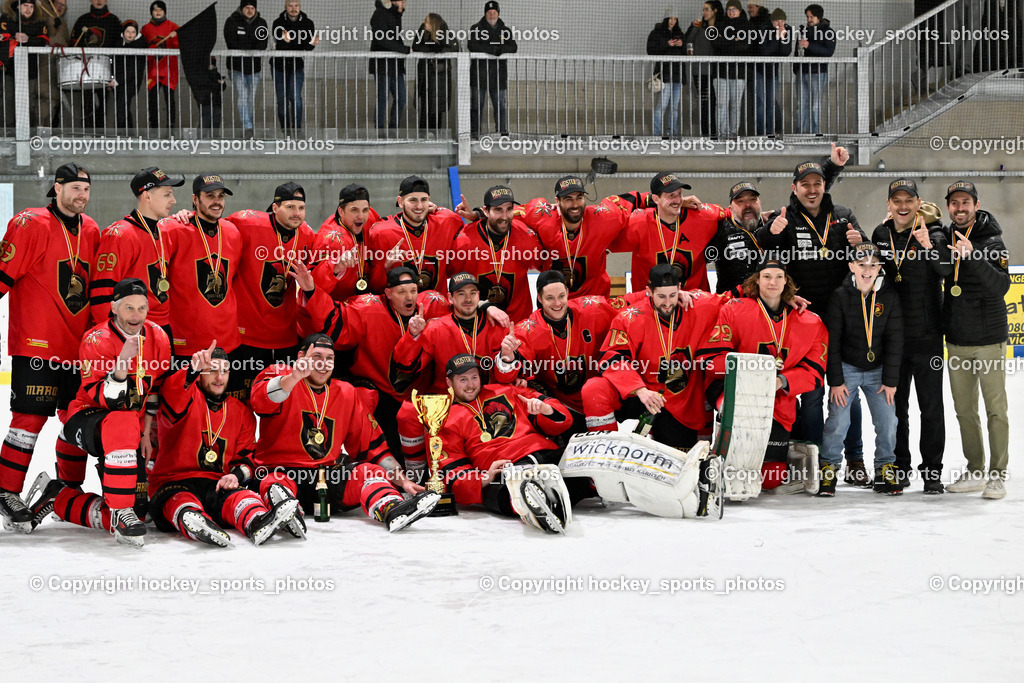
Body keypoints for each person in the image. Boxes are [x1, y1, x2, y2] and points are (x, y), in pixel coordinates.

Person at [250, 333, 439, 532]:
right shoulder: (282, 373)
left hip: (325, 479)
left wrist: (403, 481)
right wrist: (293, 377)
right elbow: (260, 402)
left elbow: (372, 446)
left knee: (369, 471)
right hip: (280, 471)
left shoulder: (346, 392)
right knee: (274, 481)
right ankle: (286, 512)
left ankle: (392, 508)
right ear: (301, 356)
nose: (323, 364)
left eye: (329, 359)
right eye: (317, 357)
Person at [0, 163, 98, 532]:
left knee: (75, 419)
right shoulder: (31, 223)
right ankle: (7, 491)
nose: (81, 196)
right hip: (36, 345)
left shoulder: (90, 229)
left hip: (77, 350)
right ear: (56, 189)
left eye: (86, 189)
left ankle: (67, 491)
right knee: (29, 420)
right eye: (74, 188)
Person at [761, 159, 868, 483]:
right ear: (794, 188)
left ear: (825, 187)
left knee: (845, 390)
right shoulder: (784, 219)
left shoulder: (844, 217)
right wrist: (769, 234)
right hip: (801, 320)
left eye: (817, 183)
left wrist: (860, 243)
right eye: (805, 184)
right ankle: (811, 458)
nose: (811, 189)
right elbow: (768, 264)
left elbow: (864, 262)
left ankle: (855, 458)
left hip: (840, 320)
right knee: (809, 391)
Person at [51, 278, 173, 546]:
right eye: (129, 308)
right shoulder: (97, 340)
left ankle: (58, 499)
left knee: (143, 510)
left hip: (131, 429)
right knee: (123, 417)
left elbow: (154, 388)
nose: (136, 315)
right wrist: (121, 366)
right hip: (87, 416)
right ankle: (120, 512)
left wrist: (147, 433)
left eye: (142, 308)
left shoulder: (159, 336)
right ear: (114, 308)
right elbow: (109, 400)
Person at [147, 342, 299, 547]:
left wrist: (234, 476)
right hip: (173, 481)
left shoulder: (240, 411)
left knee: (241, 495)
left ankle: (258, 522)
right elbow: (175, 392)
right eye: (212, 371)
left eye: (224, 371)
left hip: (215, 483)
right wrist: (191, 370)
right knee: (181, 499)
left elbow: (247, 458)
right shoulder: (185, 397)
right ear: (200, 373)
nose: (219, 378)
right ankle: (194, 520)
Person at [698, 258, 828, 489]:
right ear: (757, 280)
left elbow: (815, 372)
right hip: (732, 389)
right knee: (735, 460)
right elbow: (710, 358)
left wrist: (781, 381)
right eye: (766, 276)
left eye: (778, 277)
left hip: (776, 398)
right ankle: (720, 457)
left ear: (786, 281)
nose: (772, 282)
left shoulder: (810, 321)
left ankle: (785, 456)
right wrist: (748, 376)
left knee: (771, 478)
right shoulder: (734, 309)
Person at [296, 265, 450, 458]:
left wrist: (487, 306)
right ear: (388, 293)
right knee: (360, 397)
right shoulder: (367, 309)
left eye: (413, 291)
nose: (409, 297)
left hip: (422, 396)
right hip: (379, 393)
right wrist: (311, 290)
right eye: (401, 292)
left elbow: (464, 311)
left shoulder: (433, 305)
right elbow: (334, 319)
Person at [582, 264, 726, 449]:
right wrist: (640, 390)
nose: (667, 303)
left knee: (676, 464)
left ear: (680, 288)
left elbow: (736, 298)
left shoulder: (700, 305)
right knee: (595, 388)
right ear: (648, 291)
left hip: (678, 401)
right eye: (661, 296)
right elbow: (613, 359)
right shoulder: (630, 318)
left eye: (672, 295)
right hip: (641, 394)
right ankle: (604, 452)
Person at [437, 353, 583, 533]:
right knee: (495, 497)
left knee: (582, 457)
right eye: (463, 379)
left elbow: (562, 420)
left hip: (543, 456)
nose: (471, 385)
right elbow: (451, 470)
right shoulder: (444, 418)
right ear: (449, 383)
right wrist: (482, 478)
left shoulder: (505, 390)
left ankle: (554, 494)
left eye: (474, 377)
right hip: (506, 472)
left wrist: (546, 410)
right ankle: (540, 499)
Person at [933, 181, 1010, 500]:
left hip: (989, 338)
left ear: (976, 205)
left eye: (966, 202)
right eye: (954, 203)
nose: (960, 208)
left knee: (995, 409)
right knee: (964, 410)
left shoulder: (993, 241)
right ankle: (975, 469)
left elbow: (1001, 286)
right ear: (949, 207)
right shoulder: (944, 237)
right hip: (958, 338)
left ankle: (997, 475)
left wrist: (974, 255)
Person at [393, 272, 510, 478]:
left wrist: (512, 366)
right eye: (461, 293)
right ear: (450, 298)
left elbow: (507, 373)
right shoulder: (436, 327)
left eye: (473, 293)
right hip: (446, 400)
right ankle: (417, 475)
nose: (467, 299)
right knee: (407, 413)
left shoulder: (497, 325)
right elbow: (405, 365)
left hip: (484, 398)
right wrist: (413, 336)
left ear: (479, 297)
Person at [870, 179, 946, 493]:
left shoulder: (937, 234)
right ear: (889, 204)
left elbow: (946, 269)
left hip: (928, 338)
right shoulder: (880, 234)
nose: (902, 206)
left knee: (931, 408)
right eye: (896, 200)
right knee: (895, 409)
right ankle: (899, 467)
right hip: (893, 340)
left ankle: (932, 473)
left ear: (918, 203)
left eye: (908, 201)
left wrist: (929, 245)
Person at [469, 175, 651, 299]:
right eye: (568, 199)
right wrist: (478, 214)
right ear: (556, 201)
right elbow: (506, 211)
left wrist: (671, 200)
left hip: (594, 303)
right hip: (553, 306)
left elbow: (632, 199)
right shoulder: (541, 214)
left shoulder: (603, 217)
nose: (575, 204)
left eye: (579, 197)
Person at [820, 243, 903, 496]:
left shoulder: (889, 296)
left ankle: (885, 468)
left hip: (879, 371)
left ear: (880, 268)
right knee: (838, 421)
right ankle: (829, 469)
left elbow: (895, 339)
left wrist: (890, 380)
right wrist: (836, 380)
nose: (867, 270)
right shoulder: (840, 296)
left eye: (873, 264)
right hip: (847, 369)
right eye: (861, 264)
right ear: (851, 266)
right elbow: (831, 341)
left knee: (888, 420)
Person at [494, 270, 620, 433]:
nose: (557, 303)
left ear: (568, 292)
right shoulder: (527, 330)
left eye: (561, 296)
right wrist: (507, 356)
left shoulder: (592, 307)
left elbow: (630, 310)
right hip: (562, 403)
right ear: (539, 298)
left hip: (598, 395)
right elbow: (504, 377)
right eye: (549, 298)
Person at [225, 182, 316, 402]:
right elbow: (209, 223)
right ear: (275, 208)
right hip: (246, 337)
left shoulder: (307, 234)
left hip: (285, 337)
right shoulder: (246, 222)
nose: (297, 213)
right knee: (240, 402)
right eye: (290, 207)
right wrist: (186, 215)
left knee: (281, 403)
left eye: (301, 208)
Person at [90, 167, 183, 333]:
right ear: (147, 195)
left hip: (163, 327)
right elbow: (102, 293)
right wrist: (109, 336)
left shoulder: (163, 232)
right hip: (132, 328)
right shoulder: (120, 234)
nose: (173, 200)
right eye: (167, 194)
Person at [162, 174, 242, 360]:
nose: (216, 202)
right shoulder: (174, 230)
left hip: (228, 340)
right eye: (210, 195)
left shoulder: (233, 232)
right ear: (195, 199)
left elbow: (233, 279)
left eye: (220, 196)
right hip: (186, 343)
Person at [613, 172, 719, 295]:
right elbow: (604, 241)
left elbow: (733, 213)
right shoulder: (638, 222)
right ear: (655, 199)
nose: (678, 200)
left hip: (694, 305)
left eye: (680, 194)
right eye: (671, 195)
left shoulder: (703, 216)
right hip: (650, 305)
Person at [452, 185, 546, 322]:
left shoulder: (527, 239)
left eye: (509, 210)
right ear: (485, 211)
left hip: (518, 323)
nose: (504, 216)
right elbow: (451, 280)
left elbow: (540, 211)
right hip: (478, 324)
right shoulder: (464, 242)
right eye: (498, 210)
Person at [367, 175, 467, 294]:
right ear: (400, 202)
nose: (419, 206)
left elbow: (486, 223)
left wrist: (477, 213)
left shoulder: (447, 221)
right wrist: (386, 268)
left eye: (424, 200)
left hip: (438, 307)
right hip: (398, 309)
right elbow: (374, 287)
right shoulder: (381, 232)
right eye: (413, 200)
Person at [309, 183, 382, 301]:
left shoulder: (370, 218)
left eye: (365, 210)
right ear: (341, 211)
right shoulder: (329, 240)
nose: (361, 216)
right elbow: (312, 285)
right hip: (336, 307)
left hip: (364, 301)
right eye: (354, 210)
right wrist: (335, 267)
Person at [468, 0, 517, 138]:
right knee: (477, 106)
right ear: (485, 13)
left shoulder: (505, 31)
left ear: (498, 13)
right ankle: (475, 133)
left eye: (494, 12)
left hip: (498, 76)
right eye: (489, 12)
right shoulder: (476, 29)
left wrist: (501, 50)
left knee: (500, 106)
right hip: (479, 75)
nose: (491, 15)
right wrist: (491, 50)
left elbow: (513, 47)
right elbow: (472, 45)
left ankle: (502, 133)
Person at [70, 0, 122, 129]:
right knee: (87, 104)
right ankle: (87, 136)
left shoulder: (114, 21)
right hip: (85, 70)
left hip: (105, 69)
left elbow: (119, 49)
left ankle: (100, 137)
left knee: (103, 104)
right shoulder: (82, 20)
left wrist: (114, 74)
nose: (99, 1)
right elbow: (73, 45)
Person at [1, 0, 50, 131]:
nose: (28, 10)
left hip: (30, 72)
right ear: (17, 6)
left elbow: (44, 41)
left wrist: (28, 39)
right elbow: (1, 37)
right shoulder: (6, 18)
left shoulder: (40, 22)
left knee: (27, 105)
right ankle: (7, 137)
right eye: (25, 6)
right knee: (8, 104)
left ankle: (25, 137)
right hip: (8, 71)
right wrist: (13, 38)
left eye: (31, 7)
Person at [270, 0, 317, 132]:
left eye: (296, 6)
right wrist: (285, 42)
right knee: (282, 100)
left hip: (296, 66)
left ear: (300, 7)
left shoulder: (308, 23)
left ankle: (297, 130)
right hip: (278, 66)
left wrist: (313, 43)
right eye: (290, 6)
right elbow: (278, 44)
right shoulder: (278, 23)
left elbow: (307, 47)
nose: (293, 8)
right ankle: (285, 131)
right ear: (285, 7)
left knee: (295, 98)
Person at [223, 0, 267, 136]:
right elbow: (231, 42)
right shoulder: (231, 21)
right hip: (237, 68)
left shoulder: (261, 23)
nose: (249, 10)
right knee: (243, 96)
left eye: (252, 8)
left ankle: (249, 125)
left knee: (251, 98)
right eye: (247, 7)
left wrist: (244, 43)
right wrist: (251, 43)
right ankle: (247, 126)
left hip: (254, 68)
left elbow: (262, 44)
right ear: (241, 8)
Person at [793, 3, 835, 134]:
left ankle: (814, 134)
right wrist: (796, 68)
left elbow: (828, 51)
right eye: (807, 17)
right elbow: (797, 50)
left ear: (819, 17)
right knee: (801, 105)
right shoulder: (803, 31)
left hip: (817, 73)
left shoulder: (828, 32)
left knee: (815, 106)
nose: (808, 20)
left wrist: (809, 45)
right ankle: (801, 134)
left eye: (811, 17)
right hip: (802, 72)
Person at [412, 12, 456, 133]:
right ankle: (423, 134)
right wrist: (431, 49)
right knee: (426, 106)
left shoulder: (444, 32)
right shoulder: (423, 31)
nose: (424, 22)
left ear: (433, 23)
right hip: (425, 75)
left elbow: (454, 47)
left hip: (439, 77)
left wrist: (440, 50)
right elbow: (416, 46)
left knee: (437, 107)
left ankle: (436, 134)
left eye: (426, 21)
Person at [682, 1, 721, 137]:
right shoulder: (699, 27)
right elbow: (688, 41)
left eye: (707, 9)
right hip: (701, 72)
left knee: (715, 102)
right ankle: (707, 134)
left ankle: (715, 132)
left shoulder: (719, 27)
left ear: (715, 11)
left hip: (717, 72)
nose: (704, 12)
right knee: (705, 102)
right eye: (703, 9)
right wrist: (694, 27)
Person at [712, 0, 750, 138]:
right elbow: (716, 43)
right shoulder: (720, 25)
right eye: (729, 9)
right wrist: (734, 40)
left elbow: (745, 46)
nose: (731, 12)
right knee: (721, 104)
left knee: (735, 105)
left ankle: (733, 134)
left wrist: (725, 41)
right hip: (720, 72)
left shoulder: (747, 26)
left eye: (734, 9)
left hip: (739, 73)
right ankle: (722, 134)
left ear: (740, 11)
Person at [369, 0, 409, 131]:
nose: (404, 4)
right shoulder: (379, 14)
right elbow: (382, 39)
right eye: (401, 1)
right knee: (383, 98)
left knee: (401, 97)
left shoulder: (395, 15)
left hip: (395, 65)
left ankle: (393, 128)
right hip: (382, 65)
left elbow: (394, 39)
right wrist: (403, 49)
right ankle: (379, 130)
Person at [647, 12, 685, 138]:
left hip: (678, 75)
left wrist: (682, 45)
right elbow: (650, 50)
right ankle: (657, 135)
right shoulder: (657, 32)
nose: (672, 21)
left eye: (675, 18)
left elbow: (687, 53)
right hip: (665, 75)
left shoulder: (680, 34)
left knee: (674, 108)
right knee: (661, 106)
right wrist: (667, 44)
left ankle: (672, 134)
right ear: (666, 18)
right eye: (670, 18)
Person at [141, 0, 178, 130]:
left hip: (169, 70)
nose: (158, 12)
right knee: (153, 99)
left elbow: (182, 44)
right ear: (151, 12)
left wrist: (176, 36)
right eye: (155, 10)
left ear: (164, 12)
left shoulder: (173, 27)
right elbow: (141, 46)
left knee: (170, 99)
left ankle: (171, 126)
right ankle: (154, 126)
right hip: (153, 71)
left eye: (160, 10)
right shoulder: (145, 29)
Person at [754, 8, 791, 136]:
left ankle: (770, 133)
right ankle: (760, 134)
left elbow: (786, 52)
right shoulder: (763, 29)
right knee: (760, 103)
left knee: (771, 103)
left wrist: (783, 37)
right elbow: (764, 51)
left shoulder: (787, 30)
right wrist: (776, 37)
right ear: (772, 21)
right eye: (777, 22)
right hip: (759, 71)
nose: (780, 25)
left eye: (782, 22)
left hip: (773, 72)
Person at [108, 20, 146, 129]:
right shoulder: (118, 43)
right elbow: (112, 62)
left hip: (130, 83)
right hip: (118, 82)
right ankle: (129, 134)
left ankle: (121, 136)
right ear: (123, 32)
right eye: (128, 31)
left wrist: (116, 81)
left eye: (133, 32)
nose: (130, 34)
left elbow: (133, 69)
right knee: (123, 108)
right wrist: (111, 78)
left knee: (122, 108)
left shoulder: (140, 46)